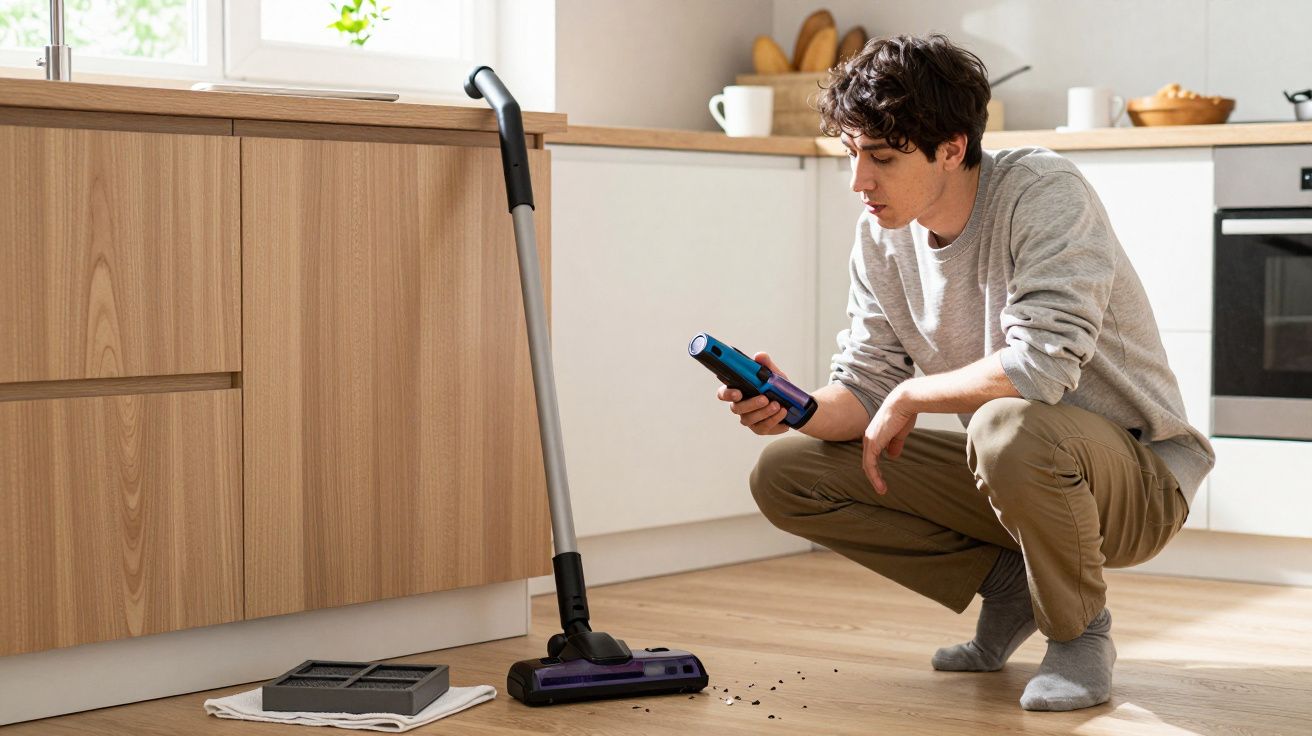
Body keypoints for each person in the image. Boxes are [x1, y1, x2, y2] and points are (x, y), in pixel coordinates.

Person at [721, 33, 1215, 712]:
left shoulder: (1042, 191)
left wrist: (911, 394)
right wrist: (794, 406)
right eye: (852, 154)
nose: (861, 181)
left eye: (882, 157)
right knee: (787, 471)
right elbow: (864, 387)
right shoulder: (880, 235)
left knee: (1006, 425)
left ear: (952, 148)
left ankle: (1079, 634)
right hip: (1020, 474)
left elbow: (1042, 365)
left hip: (1140, 483)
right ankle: (1013, 586)